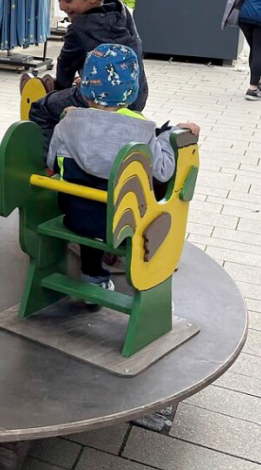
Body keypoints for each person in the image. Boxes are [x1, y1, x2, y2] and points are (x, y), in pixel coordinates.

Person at [47, 44, 200, 297]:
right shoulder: (142, 129)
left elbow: (53, 163)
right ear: (131, 92)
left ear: (85, 89)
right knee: (125, 205)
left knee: (91, 197)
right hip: (126, 222)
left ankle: (93, 274)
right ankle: (143, 268)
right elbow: (163, 171)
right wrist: (168, 137)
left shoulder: (68, 122)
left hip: (74, 214)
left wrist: (69, 118)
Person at [28, 0, 148, 149]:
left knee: (40, 108)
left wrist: (60, 88)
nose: (61, 6)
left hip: (100, 97)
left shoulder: (79, 28)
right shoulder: (122, 13)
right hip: (135, 95)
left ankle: (49, 159)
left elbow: (65, 65)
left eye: (68, 0)